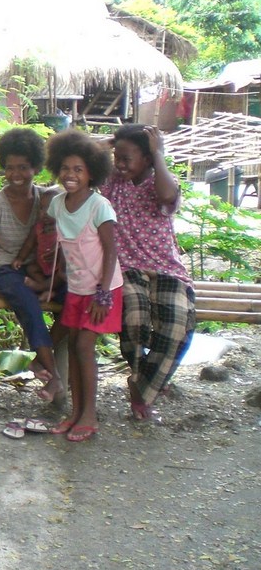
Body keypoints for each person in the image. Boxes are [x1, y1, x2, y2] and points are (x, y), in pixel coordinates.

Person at [100, 124, 195, 422]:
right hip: (125, 266)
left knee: (178, 324)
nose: (120, 163)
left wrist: (159, 154)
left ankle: (141, 387)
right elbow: (80, 154)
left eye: (127, 158)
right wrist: (112, 142)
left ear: (147, 159)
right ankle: (145, 387)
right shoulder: (112, 181)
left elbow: (167, 196)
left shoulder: (161, 180)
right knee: (134, 320)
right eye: (117, 157)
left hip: (166, 267)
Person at [0, 128, 63, 402]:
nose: (15, 174)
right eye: (9, 168)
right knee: (29, 305)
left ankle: (40, 359)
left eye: (23, 167)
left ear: (36, 167)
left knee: (75, 300)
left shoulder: (47, 199)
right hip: (7, 270)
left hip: (43, 271)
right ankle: (55, 377)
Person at [44, 130, 122, 442]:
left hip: (102, 290)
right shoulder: (57, 204)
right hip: (77, 289)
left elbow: (111, 251)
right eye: (65, 168)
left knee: (84, 347)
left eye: (79, 169)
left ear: (92, 172)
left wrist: (103, 294)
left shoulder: (99, 206)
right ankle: (75, 414)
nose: (70, 174)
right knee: (75, 347)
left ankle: (89, 415)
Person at [12, 186, 67, 294]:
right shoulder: (38, 227)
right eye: (42, 208)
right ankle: (48, 289)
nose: (45, 212)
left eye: (50, 208)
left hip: (58, 266)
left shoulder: (63, 228)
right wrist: (20, 258)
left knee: (60, 275)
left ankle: (40, 287)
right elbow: (29, 244)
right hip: (42, 265)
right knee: (31, 269)